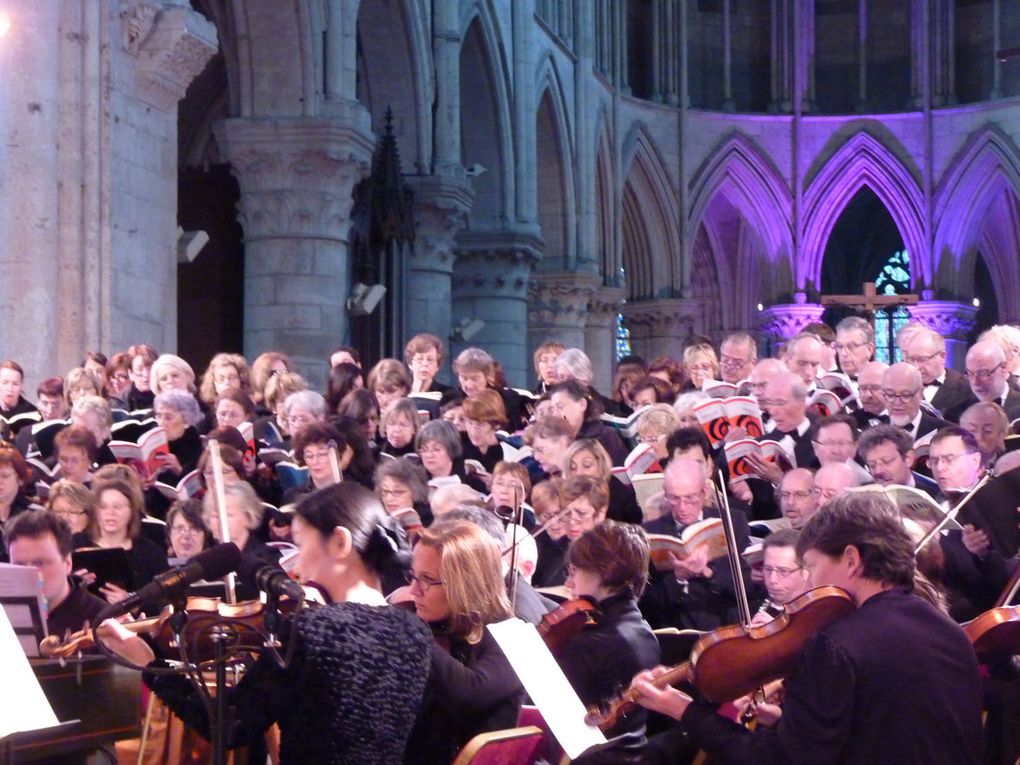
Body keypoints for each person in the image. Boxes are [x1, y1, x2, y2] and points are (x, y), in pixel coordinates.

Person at [632, 492, 984, 765]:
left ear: (851, 559)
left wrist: (683, 710)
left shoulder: (836, 645)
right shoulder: (948, 630)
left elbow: (778, 761)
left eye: (812, 567)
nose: (810, 583)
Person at [116, 483, 433, 764]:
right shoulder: (415, 631)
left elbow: (228, 726)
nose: (298, 561)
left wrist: (151, 666)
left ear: (340, 543)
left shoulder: (313, 630)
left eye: (302, 543)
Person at [406, 519, 524, 764]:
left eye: (427, 579)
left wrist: (412, 630)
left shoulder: (512, 635)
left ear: (465, 584)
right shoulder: (434, 628)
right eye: (413, 577)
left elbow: (469, 694)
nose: (413, 591)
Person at [553, 521, 661, 764]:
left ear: (604, 571)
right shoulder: (644, 631)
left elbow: (557, 718)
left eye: (574, 572)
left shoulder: (594, 641)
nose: (569, 583)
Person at [640, 458, 750, 630]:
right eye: (674, 498)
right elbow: (646, 602)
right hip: (678, 630)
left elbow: (749, 585)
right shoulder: (649, 532)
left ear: (705, 491)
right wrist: (678, 578)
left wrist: (709, 573)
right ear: (665, 493)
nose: (682, 507)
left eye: (690, 498)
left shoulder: (732, 521)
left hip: (727, 627)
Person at [6, 510, 109, 640]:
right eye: (19, 565)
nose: (29, 574)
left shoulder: (103, 620)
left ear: (67, 563)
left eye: (39, 563)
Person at [72, 476, 169, 604]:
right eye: (103, 506)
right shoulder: (75, 543)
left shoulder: (150, 552)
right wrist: (72, 584)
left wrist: (131, 601)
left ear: (132, 511)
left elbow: (164, 601)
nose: (110, 513)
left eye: (117, 507)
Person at [900, 327, 975, 420]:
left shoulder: (966, 389)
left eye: (922, 360)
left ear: (942, 357)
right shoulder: (901, 389)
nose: (916, 367)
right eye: (911, 360)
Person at [562, 439, 643, 524]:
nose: (579, 473)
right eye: (573, 468)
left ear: (601, 464)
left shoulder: (616, 496)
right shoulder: (568, 495)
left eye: (587, 465)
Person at [548, 379, 628, 465]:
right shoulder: (556, 438)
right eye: (552, 410)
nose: (555, 414)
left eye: (560, 407)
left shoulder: (604, 435)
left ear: (582, 405)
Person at [857, 424, 939, 497]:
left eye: (887, 461)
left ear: (908, 459)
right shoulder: (863, 498)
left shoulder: (937, 495)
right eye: (872, 465)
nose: (878, 471)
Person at [750, 528, 810, 624]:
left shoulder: (819, 615)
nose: (772, 580)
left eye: (783, 571)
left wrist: (779, 631)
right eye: (768, 569)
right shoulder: (748, 611)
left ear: (805, 572)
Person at [882, 363, 949, 440]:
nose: (897, 402)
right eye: (890, 395)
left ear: (920, 393)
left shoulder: (946, 433)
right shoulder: (874, 434)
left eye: (905, 395)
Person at [833, 316, 874, 380]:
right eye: (840, 346)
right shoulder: (829, 381)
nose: (844, 353)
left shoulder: (884, 382)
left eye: (851, 346)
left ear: (869, 349)